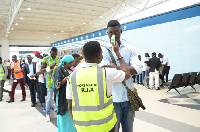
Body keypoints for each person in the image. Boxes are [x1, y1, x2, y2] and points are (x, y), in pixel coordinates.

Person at [67, 41, 131, 132]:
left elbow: (70, 105)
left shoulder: (72, 77)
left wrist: (75, 123)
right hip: (106, 126)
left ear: (84, 56)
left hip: (82, 127)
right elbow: (127, 74)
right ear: (100, 57)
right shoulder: (107, 73)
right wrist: (117, 53)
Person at [100, 20, 142, 132]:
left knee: (128, 129)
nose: (113, 35)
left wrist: (116, 68)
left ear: (121, 31)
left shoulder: (130, 49)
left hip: (129, 98)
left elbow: (138, 68)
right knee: (113, 129)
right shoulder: (103, 51)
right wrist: (126, 70)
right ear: (107, 33)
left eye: (117, 32)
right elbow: (106, 71)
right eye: (110, 33)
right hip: (112, 99)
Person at [54, 55, 76, 132]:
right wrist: (67, 78)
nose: (72, 63)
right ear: (66, 62)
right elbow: (57, 85)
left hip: (70, 96)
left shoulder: (70, 69)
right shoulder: (60, 69)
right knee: (65, 119)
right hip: (62, 97)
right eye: (70, 62)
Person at [41, 47, 59, 121]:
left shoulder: (57, 58)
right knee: (49, 99)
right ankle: (47, 114)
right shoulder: (45, 59)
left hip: (57, 81)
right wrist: (50, 67)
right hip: (49, 82)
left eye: (56, 54)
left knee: (56, 98)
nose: (54, 55)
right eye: (53, 54)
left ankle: (56, 112)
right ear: (50, 52)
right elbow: (42, 70)